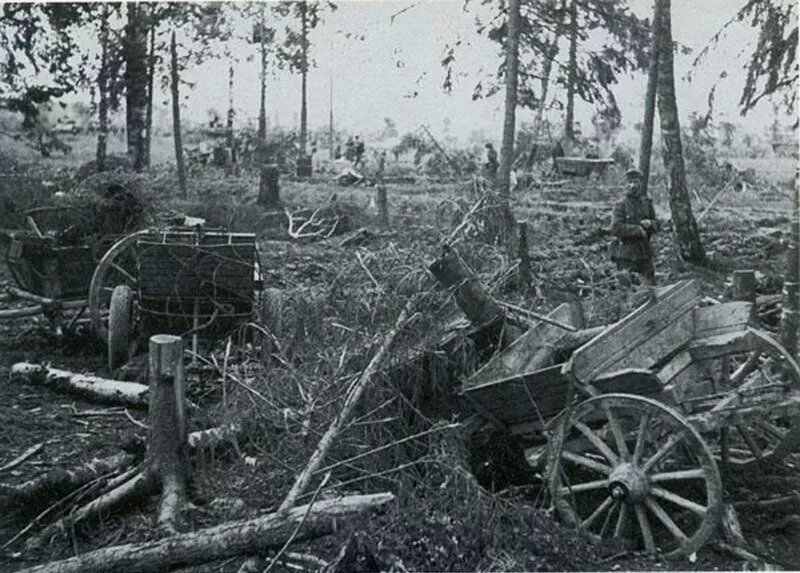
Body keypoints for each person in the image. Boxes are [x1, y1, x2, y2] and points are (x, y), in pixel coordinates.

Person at [610, 168, 659, 284]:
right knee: (627, 290)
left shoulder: (647, 203)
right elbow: (615, 228)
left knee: (650, 288)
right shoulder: (620, 205)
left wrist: (651, 224)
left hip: (644, 254)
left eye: (636, 182)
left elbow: (657, 224)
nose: (632, 185)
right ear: (625, 184)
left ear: (641, 184)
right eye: (629, 182)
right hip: (626, 255)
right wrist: (637, 229)